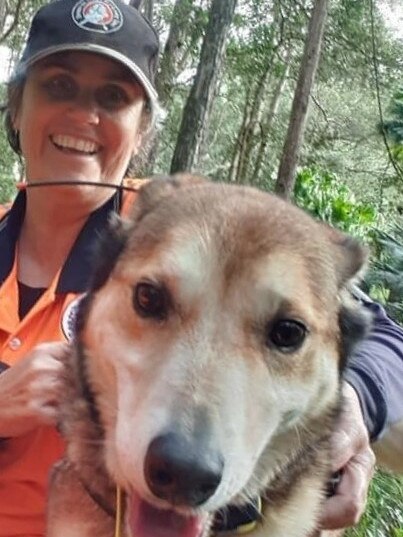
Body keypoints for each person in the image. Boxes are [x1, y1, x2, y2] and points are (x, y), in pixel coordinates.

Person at [0, 1, 401, 537]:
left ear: (141, 130)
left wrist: (356, 407)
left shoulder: (191, 226)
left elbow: (377, 337)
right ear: (16, 108)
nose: (84, 115)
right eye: (58, 85)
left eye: (114, 98)